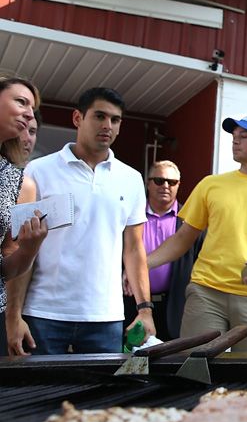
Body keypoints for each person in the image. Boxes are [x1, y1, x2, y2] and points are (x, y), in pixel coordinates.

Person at [6, 87, 154, 355]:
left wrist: (145, 310)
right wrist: (13, 316)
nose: (107, 126)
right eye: (99, 116)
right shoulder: (37, 172)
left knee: (101, 397)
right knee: (40, 395)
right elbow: (20, 246)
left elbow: (134, 249)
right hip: (43, 313)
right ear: (77, 118)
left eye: (115, 119)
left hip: (105, 317)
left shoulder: (131, 179)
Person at [147, 115, 247, 351]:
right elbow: (182, 240)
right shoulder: (211, 185)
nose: (236, 141)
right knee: (195, 369)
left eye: (245, 135)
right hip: (206, 293)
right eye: (234, 136)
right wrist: (140, 265)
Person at [124, 160, 202, 341]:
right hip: (132, 302)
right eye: (159, 180)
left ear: (178, 185)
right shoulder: (131, 216)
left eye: (172, 182)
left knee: (171, 363)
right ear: (148, 183)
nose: (165, 186)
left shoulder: (191, 221)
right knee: (130, 361)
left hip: (175, 306)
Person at [0, 76, 48, 355]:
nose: (29, 113)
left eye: (32, 107)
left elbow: (6, 265)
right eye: (21, 101)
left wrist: (29, 249)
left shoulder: (20, 183)